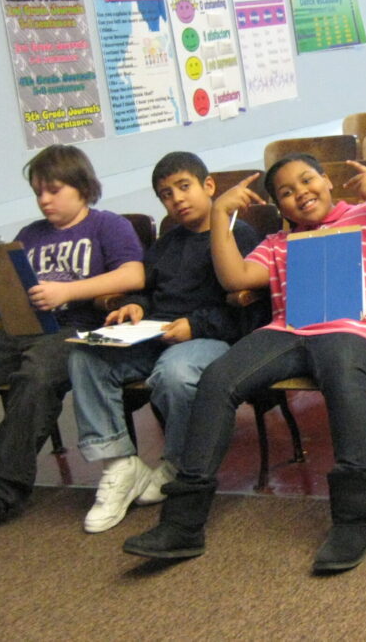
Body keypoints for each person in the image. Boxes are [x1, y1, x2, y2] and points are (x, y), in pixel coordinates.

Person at [122, 154, 366, 573]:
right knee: (219, 379)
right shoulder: (280, 242)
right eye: (286, 192)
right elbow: (235, 279)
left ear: (327, 181)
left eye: (307, 180)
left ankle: (354, 518)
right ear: (279, 207)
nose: (300, 193)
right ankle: (183, 523)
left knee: (342, 373)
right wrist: (223, 214)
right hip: (288, 331)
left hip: (356, 330)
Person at [0, 144, 144, 547]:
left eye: (53, 190)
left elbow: (133, 275)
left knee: (36, 375)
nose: (44, 200)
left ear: (81, 187)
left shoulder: (108, 226)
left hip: (77, 332)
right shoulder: (30, 235)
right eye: (38, 191)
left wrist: (67, 291)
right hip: (23, 330)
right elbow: (19, 297)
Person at [67, 152, 261, 533]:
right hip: (155, 332)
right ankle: (120, 464)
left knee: (175, 372)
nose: (177, 199)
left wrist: (196, 324)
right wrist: (135, 308)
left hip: (211, 336)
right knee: (85, 356)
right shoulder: (166, 244)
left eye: (184, 187)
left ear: (208, 186)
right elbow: (149, 291)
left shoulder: (239, 234)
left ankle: (176, 462)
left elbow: (247, 310)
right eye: (166, 194)